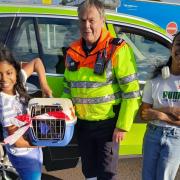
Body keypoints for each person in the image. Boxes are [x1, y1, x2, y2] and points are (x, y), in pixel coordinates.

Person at [61, 0, 141, 179]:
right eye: (82, 20)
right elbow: (67, 87)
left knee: (106, 173)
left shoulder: (117, 49)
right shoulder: (73, 51)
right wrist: (62, 113)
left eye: (91, 20)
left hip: (108, 125)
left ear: (102, 20)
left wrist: (122, 126)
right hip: (82, 124)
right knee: (88, 170)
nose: (86, 26)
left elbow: (132, 92)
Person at [0, 44, 52, 180]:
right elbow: (16, 141)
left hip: (32, 147)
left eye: (8, 73)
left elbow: (37, 62)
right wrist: (39, 143)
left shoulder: (19, 82)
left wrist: (44, 85)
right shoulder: (4, 103)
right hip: (23, 154)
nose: (4, 79)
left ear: (16, 71)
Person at [140, 32, 180, 180]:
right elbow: (144, 114)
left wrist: (159, 115)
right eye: (178, 44)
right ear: (172, 47)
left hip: (176, 137)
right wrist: (169, 110)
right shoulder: (156, 78)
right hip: (152, 134)